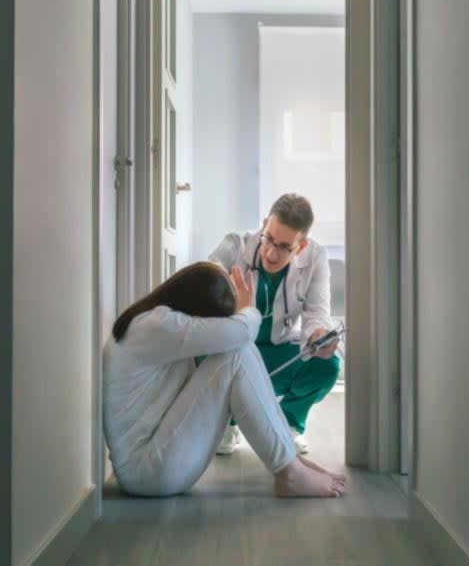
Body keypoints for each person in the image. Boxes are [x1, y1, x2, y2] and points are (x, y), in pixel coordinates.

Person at [102, 261, 346, 498]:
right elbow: (242, 331)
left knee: (240, 349)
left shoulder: (152, 320)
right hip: (147, 473)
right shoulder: (156, 326)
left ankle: (289, 459)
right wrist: (247, 307)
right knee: (237, 351)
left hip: (153, 463)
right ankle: (289, 471)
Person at [208, 194, 341, 456]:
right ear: (265, 223)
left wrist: (318, 336)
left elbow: (317, 313)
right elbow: (201, 292)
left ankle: (287, 425)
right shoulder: (234, 246)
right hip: (233, 351)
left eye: (284, 247)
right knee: (200, 353)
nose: (271, 252)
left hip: (277, 352)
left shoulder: (315, 257)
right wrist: (232, 305)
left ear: (300, 247)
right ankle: (227, 420)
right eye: (268, 238)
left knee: (328, 365)